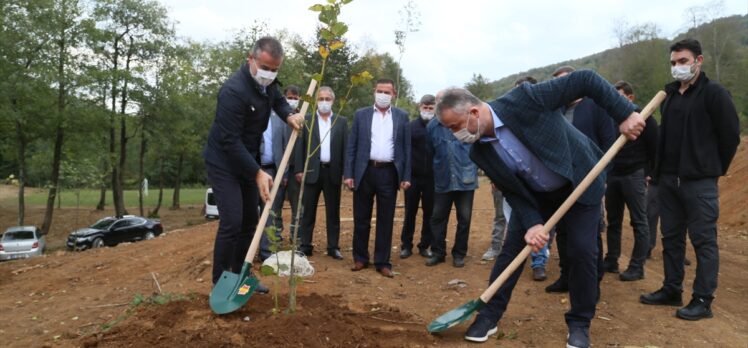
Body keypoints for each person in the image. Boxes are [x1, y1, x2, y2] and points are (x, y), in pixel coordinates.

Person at [435, 70, 645, 347]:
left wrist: (624, 113)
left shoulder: (524, 100)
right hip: (537, 198)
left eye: (455, 126)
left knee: (582, 251)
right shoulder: (479, 151)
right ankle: (488, 316)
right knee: (511, 252)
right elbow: (512, 190)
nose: (455, 134)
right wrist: (533, 222)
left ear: (474, 112)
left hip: (579, 181)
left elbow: (584, 80)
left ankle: (580, 323)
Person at [640, 38, 740, 321]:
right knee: (671, 238)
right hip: (668, 181)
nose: (678, 67)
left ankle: (702, 300)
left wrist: (712, 168)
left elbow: (730, 136)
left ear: (699, 60)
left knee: (703, 241)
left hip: (699, 183)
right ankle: (672, 289)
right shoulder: (670, 96)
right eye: (673, 63)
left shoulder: (714, 94)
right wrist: (658, 173)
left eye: (683, 61)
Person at [203, 37, 304, 290]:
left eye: (274, 69)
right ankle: (221, 282)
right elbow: (229, 141)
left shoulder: (266, 85)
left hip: (248, 159)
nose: (269, 74)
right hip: (224, 162)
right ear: (251, 58)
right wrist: (258, 172)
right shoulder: (233, 92)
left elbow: (278, 100)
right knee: (233, 222)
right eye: (266, 67)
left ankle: (242, 275)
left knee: (251, 221)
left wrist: (289, 115)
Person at [545, 66, 616, 293]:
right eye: (557, 84)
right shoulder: (554, 111)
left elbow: (609, 143)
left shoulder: (595, 107)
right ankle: (567, 276)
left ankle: (592, 280)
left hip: (590, 180)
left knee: (589, 233)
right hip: (562, 181)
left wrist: (602, 175)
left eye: (565, 83)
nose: (561, 89)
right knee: (564, 230)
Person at [345, 78, 411, 278]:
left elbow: (406, 148)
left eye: (387, 92)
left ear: (394, 95)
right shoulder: (361, 115)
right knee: (361, 217)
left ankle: (383, 261)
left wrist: (406, 175)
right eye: (379, 91)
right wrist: (348, 173)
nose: (383, 95)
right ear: (374, 92)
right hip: (365, 171)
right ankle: (360, 258)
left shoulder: (402, 116)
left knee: (386, 219)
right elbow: (352, 146)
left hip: (389, 173)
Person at [602, 80, 658, 281]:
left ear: (630, 97)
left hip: (634, 174)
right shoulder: (610, 118)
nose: (615, 101)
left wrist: (650, 172)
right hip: (613, 175)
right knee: (613, 221)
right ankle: (611, 260)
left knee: (639, 221)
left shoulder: (644, 117)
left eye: (619, 96)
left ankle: (637, 266)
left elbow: (655, 146)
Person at [294, 86, 348, 260]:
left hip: (332, 172)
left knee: (333, 212)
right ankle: (305, 245)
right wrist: (299, 169)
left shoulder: (341, 121)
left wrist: (346, 172)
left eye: (327, 99)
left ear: (332, 101)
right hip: (311, 172)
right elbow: (299, 146)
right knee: (308, 211)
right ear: (316, 101)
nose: (324, 102)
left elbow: (346, 149)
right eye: (321, 98)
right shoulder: (307, 120)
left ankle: (333, 247)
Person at [425, 114, 478, 268]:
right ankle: (438, 253)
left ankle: (459, 254)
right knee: (437, 217)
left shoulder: (468, 122)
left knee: (464, 218)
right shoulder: (433, 126)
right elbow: (429, 150)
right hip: (443, 178)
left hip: (465, 179)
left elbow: (478, 146)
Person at [258, 86, 300, 262]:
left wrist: (284, 174)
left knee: (270, 211)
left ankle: (267, 252)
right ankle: (245, 251)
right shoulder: (254, 116)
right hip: (254, 169)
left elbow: (284, 147)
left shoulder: (279, 119)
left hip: (273, 171)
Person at [399, 95, 436, 259]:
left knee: (429, 213)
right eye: (425, 107)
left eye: (431, 108)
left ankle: (424, 245)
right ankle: (406, 245)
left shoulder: (438, 127)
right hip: (412, 178)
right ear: (419, 107)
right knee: (410, 212)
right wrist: (403, 176)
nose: (427, 110)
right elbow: (404, 153)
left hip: (432, 179)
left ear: (435, 109)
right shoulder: (410, 127)